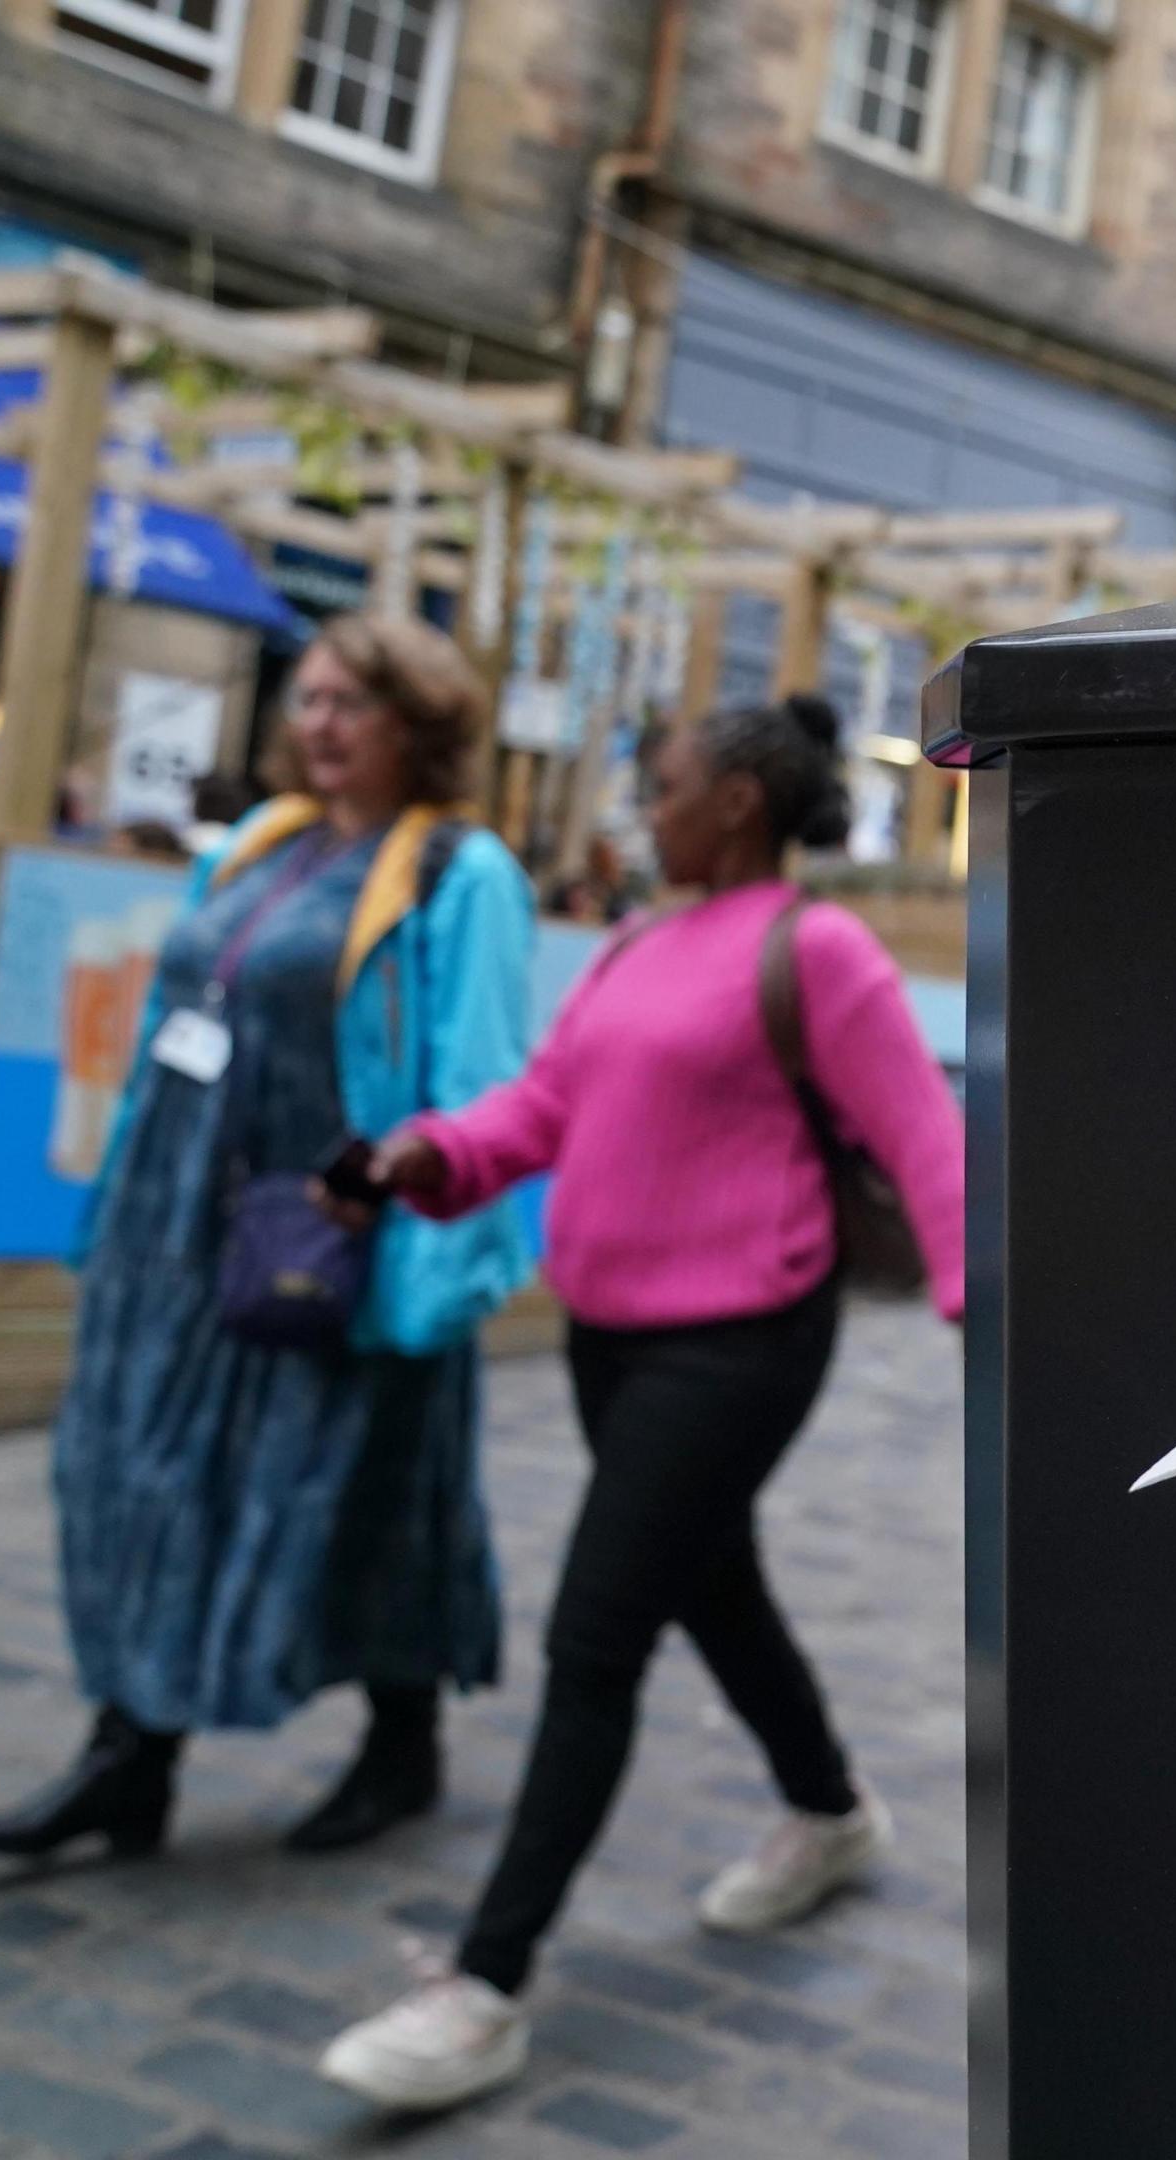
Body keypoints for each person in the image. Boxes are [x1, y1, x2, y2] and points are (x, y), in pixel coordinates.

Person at [316, 692, 964, 2111]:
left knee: (598, 1632)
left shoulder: (822, 951)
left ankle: (484, 1987)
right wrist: (426, 1153)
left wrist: (990, 1318)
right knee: (713, 1589)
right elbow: (543, 1111)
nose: (641, 811)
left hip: (740, 1343)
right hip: (612, 1340)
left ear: (736, 800)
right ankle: (831, 1809)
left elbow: (926, 1137)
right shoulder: (638, 942)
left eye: (659, 786)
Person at [0, 617, 538, 1865]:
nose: (319, 724)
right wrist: (119, 1210)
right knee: (150, 1467)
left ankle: (401, 1741)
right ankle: (130, 1754)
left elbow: (481, 1071)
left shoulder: (458, 871)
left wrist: (424, 1243)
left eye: (352, 705)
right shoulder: (266, 842)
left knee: (356, 1485)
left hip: (326, 1233)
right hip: (180, 1223)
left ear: (415, 726)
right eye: (309, 700)